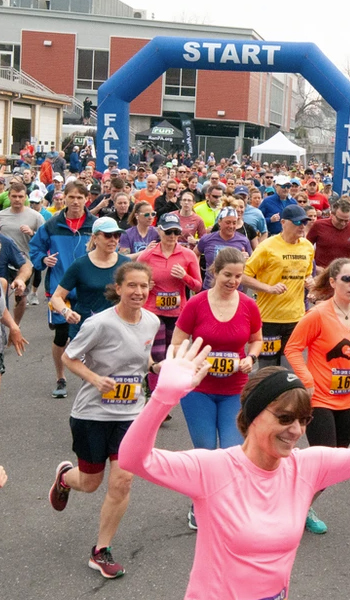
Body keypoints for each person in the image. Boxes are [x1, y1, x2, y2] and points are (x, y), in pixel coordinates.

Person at [119, 340, 350, 600]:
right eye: (285, 418)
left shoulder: (309, 466)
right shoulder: (212, 469)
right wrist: (162, 399)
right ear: (254, 415)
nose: (296, 430)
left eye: (304, 419)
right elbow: (134, 459)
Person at [48, 262, 160, 579]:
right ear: (119, 288)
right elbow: (70, 357)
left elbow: (142, 358)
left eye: (144, 286)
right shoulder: (100, 324)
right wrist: (95, 379)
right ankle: (65, 478)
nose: (139, 292)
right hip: (92, 414)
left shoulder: (151, 322)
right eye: (132, 286)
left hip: (131, 414)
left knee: (122, 481)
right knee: (90, 482)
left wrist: (154, 368)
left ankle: (101, 551)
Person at [172, 248, 263, 530]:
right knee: (206, 450)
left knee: (234, 450)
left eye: (239, 276)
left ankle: (225, 504)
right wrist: (189, 364)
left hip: (235, 389)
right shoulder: (196, 304)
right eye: (227, 275)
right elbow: (177, 342)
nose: (233, 281)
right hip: (198, 389)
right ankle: (199, 504)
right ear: (214, 272)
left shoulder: (249, 305)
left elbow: (257, 340)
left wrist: (250, 358)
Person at [285, 258, 350, 533]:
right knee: (324, 463)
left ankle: (297, 499)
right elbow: (293, 348)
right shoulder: (318, 315)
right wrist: (307, 379)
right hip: (321, 399)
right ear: (333, 282)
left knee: (335, 463)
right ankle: (296, 510)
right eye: (346, 279)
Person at [30, 181, 96, 398]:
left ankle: (94, 377)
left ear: (86, 199)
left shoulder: (94, 224)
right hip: (60, 289)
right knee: (61, 335)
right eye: (72, 197)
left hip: (89, 288)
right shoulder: (52, 224)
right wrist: (42, 259)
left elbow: (111, 246)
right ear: (64, 198)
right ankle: (61, 378)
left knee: (94, 335)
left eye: (80, 197)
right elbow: (36, 247)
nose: (76, 201)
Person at [242, 205, 314, 368]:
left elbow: (308, 274)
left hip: (295, 318)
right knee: (268, 371)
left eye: (304, 222)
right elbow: (243, 276)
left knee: (289, 371)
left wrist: (310, 281)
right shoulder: (267, 247)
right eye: (297, 222)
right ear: (283, 222)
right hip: (269, 319)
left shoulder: (307, 247)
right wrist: (268, 288)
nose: (302, 226)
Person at [138, 213, 202, 395]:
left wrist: (185, 277)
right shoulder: (147, 255)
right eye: (168, 232)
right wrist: (145, 286)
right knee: (157, 354)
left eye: (176, 232)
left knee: (172, 355)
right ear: (159, 231)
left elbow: (198, 286)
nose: (172, 236)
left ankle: (164, 388)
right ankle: (154, 392)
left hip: (178, 314)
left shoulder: (187, 255)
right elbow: (133, 281)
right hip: (153, 312)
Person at [50, 217, 130, 339]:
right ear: (94, 237)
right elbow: (56, 297)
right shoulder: (80, 265)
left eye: (117, 235)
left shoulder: (126, 264)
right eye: (108, 235)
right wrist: (66, 312)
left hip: (117, 329)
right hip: (85, 329)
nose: (113, 240)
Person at [0, 182, 45, 324]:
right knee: (3, 294)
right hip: (4, 262)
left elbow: (44, 239)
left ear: (25, 197)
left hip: (24, 261)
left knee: (20, 296)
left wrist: (32, 233)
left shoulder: (35, 216)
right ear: (9, 196)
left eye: (20, 196)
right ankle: (6, 326)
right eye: (14, 196)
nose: (17, 199)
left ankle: (16, 325)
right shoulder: (2, 215)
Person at [196, 206, 252, 289]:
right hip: (210, 288)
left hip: (233, 289)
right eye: (228, 222)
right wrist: (197, 275)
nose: (231, 226)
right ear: (219, 222)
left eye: (234, 223)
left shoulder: (243, 241)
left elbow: (251, 265)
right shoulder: (207, 239)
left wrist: (245, 260)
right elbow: (195, 254)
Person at [306, 197, 350, 270]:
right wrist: (314, 267)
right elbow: (305, 249)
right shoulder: (319, 225)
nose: (343, 223)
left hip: (343, 274)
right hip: (321, 272)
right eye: (340, 220)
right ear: (332, 214)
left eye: (347, 220)